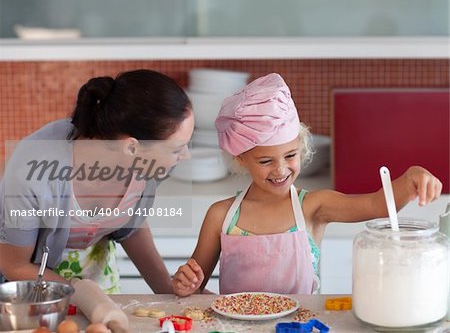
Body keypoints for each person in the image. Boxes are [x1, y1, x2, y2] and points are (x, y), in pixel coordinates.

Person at [172, 73, 442, 296]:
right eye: (265, 160)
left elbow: (377, 204)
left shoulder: (313, 207)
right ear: (241, 159)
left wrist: (411, 178)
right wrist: (186, 283)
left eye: (290, 155)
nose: (280, 169)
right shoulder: (221, 216)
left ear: (301, 147)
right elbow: (194, 287)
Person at [0, 69, 194, 293]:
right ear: (132, 147)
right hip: (33, 285)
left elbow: (131, 221)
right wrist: (84, 296)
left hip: (98, 277)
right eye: (177, 149)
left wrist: (168, 290)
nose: (186, 156)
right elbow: (15, 265)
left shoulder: (147, 165)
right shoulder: (32, 173)